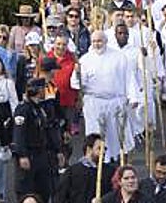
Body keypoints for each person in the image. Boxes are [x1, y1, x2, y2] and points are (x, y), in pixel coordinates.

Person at [78, 30, 139, 164]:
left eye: (99, 41)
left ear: (106, 41)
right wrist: (79, 79)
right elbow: (78, 82)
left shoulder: (119, 57)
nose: (97, 44)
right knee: (96, 134)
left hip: (115, 102)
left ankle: (118, 161)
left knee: (117, 135)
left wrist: (133, 96)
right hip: (94, 102)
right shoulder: (85, 60)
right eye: (94, 41)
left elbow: (129, 77)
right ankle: (97, 161)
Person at [11, 78, 60, 202]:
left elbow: (47, 131)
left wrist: (57, 150)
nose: (46, 91)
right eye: (44, 88)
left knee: (43, 188)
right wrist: (22, 155)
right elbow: (19, 133)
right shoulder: (23, 109)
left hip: (42, 154)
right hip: (29, 153)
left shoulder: (40, 108)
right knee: (26, 189)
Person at [54, 135, 105, 203]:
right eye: (99, 148)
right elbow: (60, 197)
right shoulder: (72, 172)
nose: (103, 152)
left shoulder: (107, 171)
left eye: (105, 149)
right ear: (89, 149)